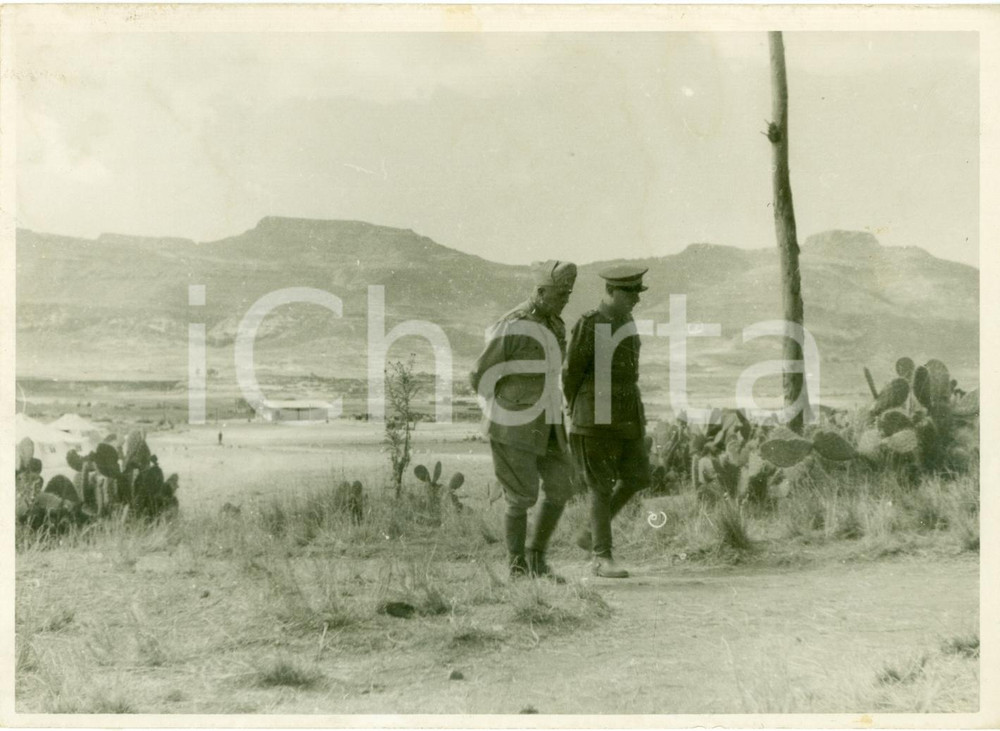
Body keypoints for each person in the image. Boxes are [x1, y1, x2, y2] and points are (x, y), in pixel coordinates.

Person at [470, 260, 577, 580]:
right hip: (512, 423)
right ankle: (517, 568)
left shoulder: (556, 324)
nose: (564, 301)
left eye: (568, 295)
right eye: (559, 295)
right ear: (541, 292)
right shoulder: (513, 324)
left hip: (549, 421)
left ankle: (536, 558)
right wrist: (507, 407)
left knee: (562, 485)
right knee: (521, 496)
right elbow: (480, 374)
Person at [563, 265, 651, 579]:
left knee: (639, 476)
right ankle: (601, 557)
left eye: (638, 293)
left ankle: (591, 534)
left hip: (626, 415)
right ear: (612, 291)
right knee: (601, 487)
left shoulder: (627, 321)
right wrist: (577, 408)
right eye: (630, 293)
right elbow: (571, 371)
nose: (636, 300)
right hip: (595, 415)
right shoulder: (591, 323)